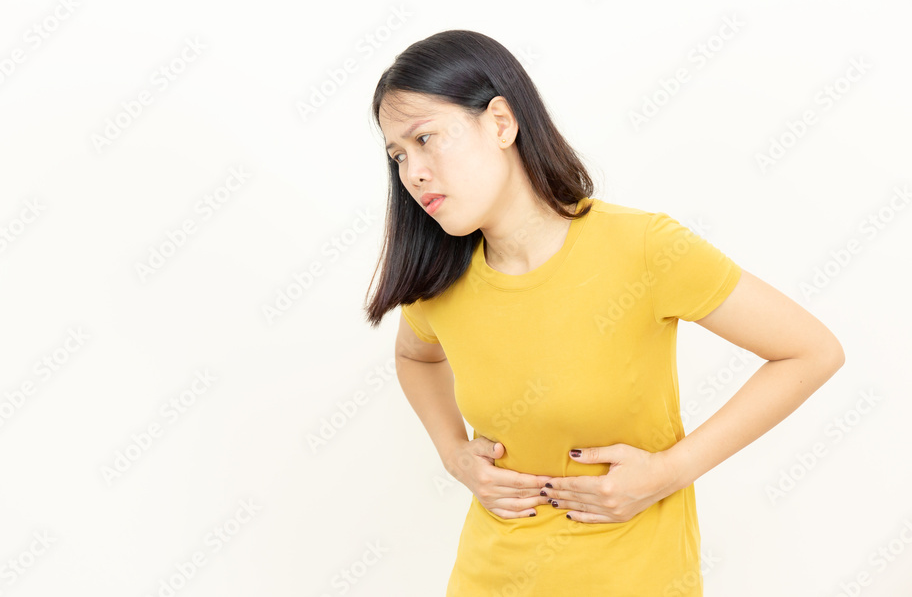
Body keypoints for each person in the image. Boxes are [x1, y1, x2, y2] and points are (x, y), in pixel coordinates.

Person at [362, 30, 845, 596]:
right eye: (399, 155)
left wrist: (669, 472)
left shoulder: (644, 248)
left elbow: (811, 352)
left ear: (500, 123)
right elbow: (415, 357)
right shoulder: (438, 281)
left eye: (425, 138)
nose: (413, 173)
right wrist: (453, 454)